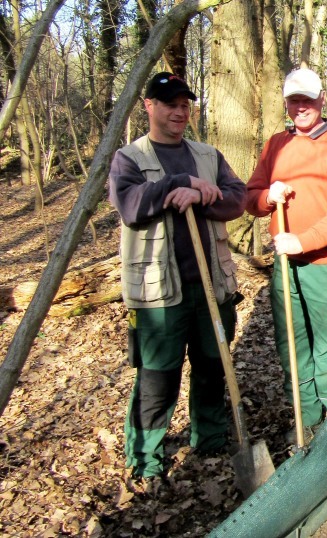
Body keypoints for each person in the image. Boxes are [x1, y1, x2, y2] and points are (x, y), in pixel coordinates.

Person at [108, 72, 246, 483]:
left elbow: (237, 198)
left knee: (211, 364)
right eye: (170, 104)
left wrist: (206, 195)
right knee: (157, 378)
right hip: (157, 294)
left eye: (185, 104)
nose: (179, 111)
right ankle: (146, 458)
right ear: (149, 106)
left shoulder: (208, 154)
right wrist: (179, 184)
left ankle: (212, 439)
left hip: (211, 287)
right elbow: (132, 206)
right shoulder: (129, 159)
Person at [245, 67, 327, 446]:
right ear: (286, 102)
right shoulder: (275, 144)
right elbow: (250, 197)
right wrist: (267, 197)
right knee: (292, 345)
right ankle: (307, 419)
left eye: (307, 99)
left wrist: (304, 240)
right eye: (294, 100)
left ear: (322, 98)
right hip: (284, 265)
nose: (301, 107)